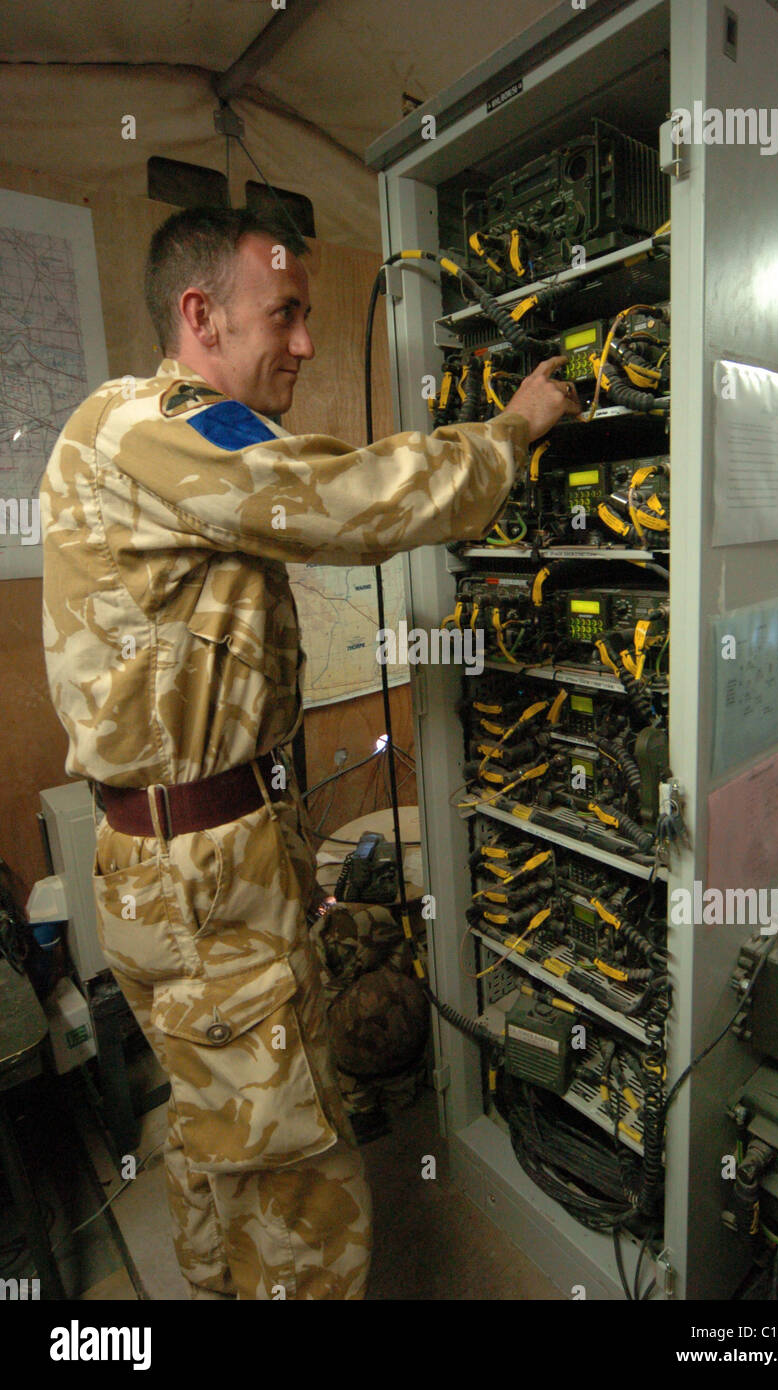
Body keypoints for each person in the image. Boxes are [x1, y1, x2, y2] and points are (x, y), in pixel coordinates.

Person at [40, 205, 580, 1300]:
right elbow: (343, 500)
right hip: (200, 881)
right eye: (283, 314)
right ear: (200, 315)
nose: (304, 343)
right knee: (301, 1183)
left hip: (194, 859)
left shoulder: (156, 440)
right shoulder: (155, 425)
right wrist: (513, 430)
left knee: (213, 1135)